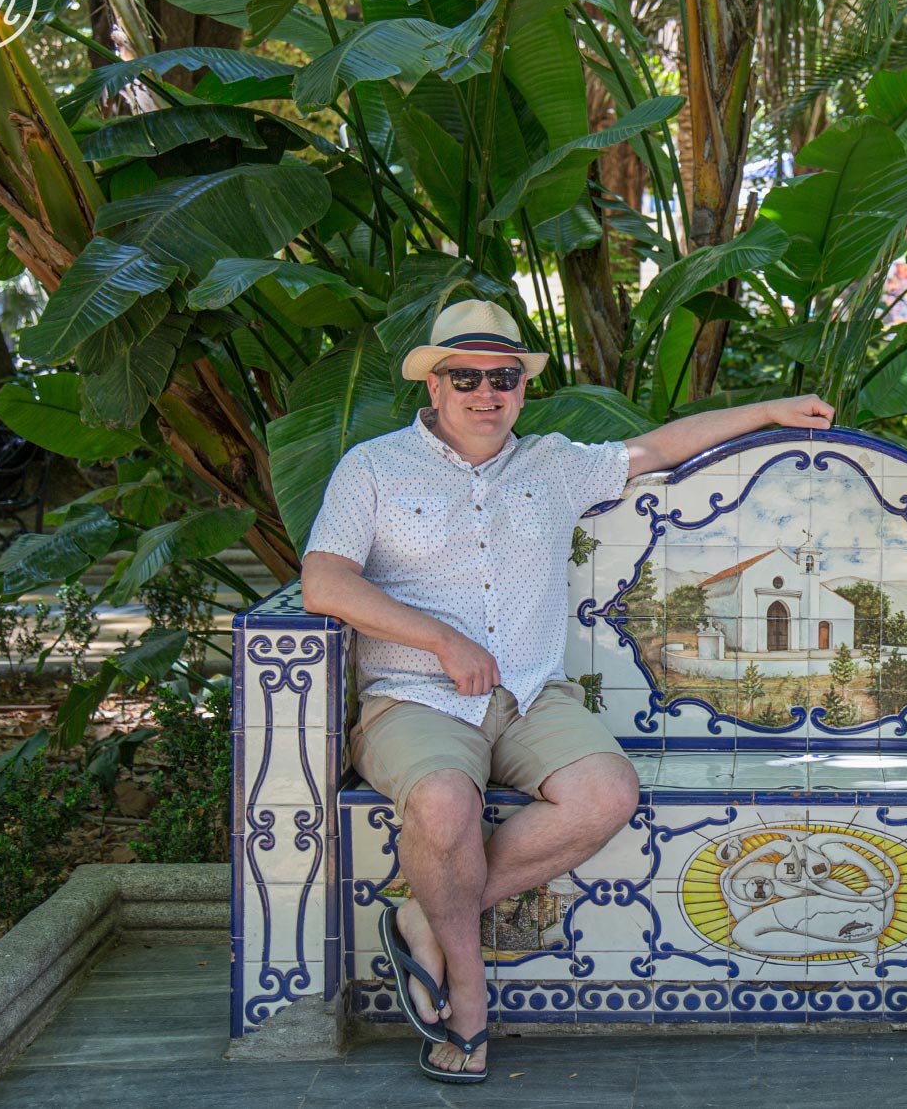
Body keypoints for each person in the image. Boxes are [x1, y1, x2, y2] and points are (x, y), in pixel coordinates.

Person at [299, 299, 834, 1084]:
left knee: (606, 794)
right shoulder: (373, 467)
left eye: (504, 377)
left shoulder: (553, 462)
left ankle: (428, 910)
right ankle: (470, 995)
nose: (487, 392)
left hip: (524, 695)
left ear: (522, 387)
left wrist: (769, 410)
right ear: (436, 386)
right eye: (467, 376)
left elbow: (655, 449)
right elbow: (323, 580)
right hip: (413, 697)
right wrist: (441, 639)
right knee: (444, 803)